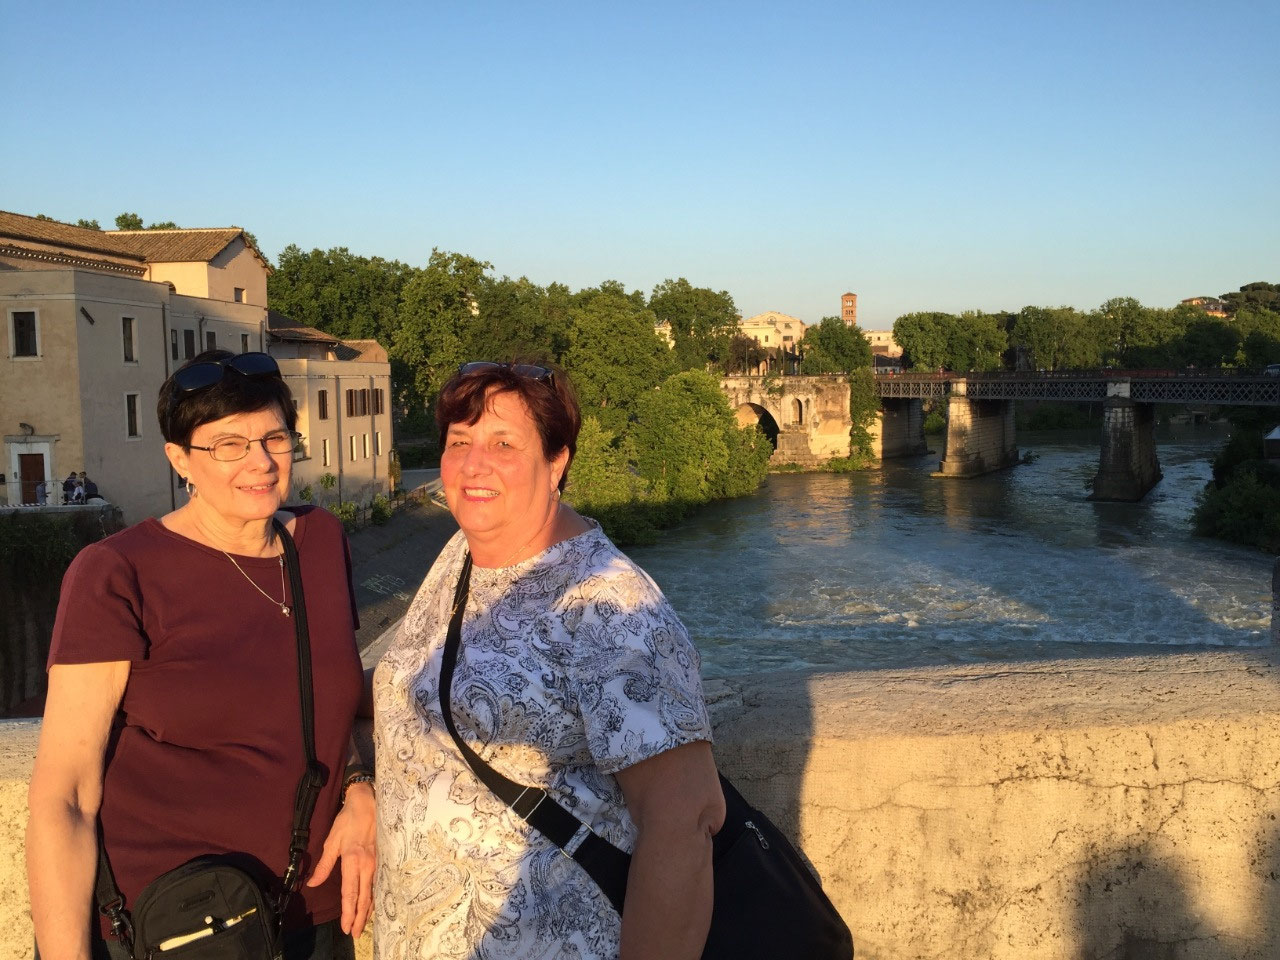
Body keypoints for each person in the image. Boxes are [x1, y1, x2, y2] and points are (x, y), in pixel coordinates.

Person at [27, 350, 375, 960]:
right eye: (228, 445)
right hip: (174, 924)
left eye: (274, 438)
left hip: (312, 915)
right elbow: (66, 795)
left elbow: (325, 697)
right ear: (180, 459)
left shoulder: (321, 541)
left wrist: (359, 782)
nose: (260, 462)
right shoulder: (117, 572)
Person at [373, 362, 724, 960]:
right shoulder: (462, 554)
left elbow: (686, 820)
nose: (474, 464)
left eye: (503, 445)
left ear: (556, 462)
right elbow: (416, 684)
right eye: (460, 442)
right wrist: (358, 786)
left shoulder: (609, 606)